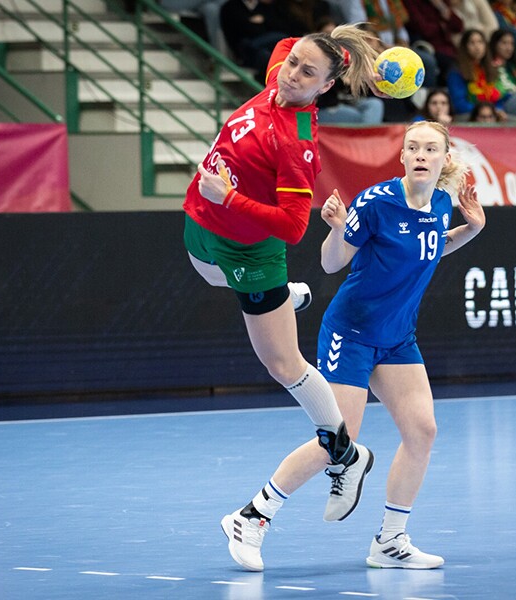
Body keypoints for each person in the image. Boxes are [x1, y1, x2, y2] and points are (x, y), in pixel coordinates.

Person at [220, 120, 485, 571]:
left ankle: (390, 541)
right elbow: (330, 263)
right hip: (352, 332)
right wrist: (339, 229)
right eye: (413, 147)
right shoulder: (377, 203)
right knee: (339, 440)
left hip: (398, 338)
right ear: (401, 157)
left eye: (430, 149)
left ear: (444, 159)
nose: (421, 154)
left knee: (423, 431)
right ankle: (251, 515)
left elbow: (430, 248)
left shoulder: (442, 203)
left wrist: (472, 229)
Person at [182, 25, 383, 571]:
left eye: (308, 73)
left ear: (324, 88)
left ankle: (341, 451)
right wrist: (340, 41)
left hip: (252, 248)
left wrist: (230, 197)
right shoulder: (278, 76)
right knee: (204, 274)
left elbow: (294, 228)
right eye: (294, 63)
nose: (293, 74)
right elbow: (292, 45)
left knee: (282, 362)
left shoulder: (295, 141)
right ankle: (285, 299)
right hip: (204, 227)